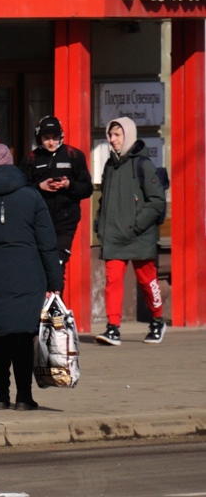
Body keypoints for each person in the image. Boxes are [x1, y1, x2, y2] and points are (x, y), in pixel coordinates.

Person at [0, 141, 63, 411]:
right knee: (23, 337)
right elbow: (47, 243)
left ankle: (1, 396)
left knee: (0, 337)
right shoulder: (31, 197)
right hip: (29, 277)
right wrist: (55, 282)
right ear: (9, 162)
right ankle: (24, 397)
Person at [95, 116, 168, 346]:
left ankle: (158, 320)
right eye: (110, 135)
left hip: (139, 235)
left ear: (128, 136)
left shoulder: (143, 164)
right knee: (112, 281)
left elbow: (156, 201)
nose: (112, 139)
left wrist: (136, 225)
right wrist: (100, 225)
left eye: (117, 135)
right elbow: (104, 200)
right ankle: (113, 328)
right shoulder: (110, 165)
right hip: (114, 235)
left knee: (148, 281)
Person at [23, 115, 92, 286]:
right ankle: (43, 308)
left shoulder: (74, 156)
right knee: (40, 267)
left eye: (54, 138)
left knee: (58, 264)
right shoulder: (31, 159)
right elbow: (21, 191)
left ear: (60, 136)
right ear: (40, 138)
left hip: (66, 222)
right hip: (39, 221)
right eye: (47, 138)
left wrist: (68, 185)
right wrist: (40, 186)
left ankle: (55, 310)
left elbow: (87, 188)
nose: (51, 142)